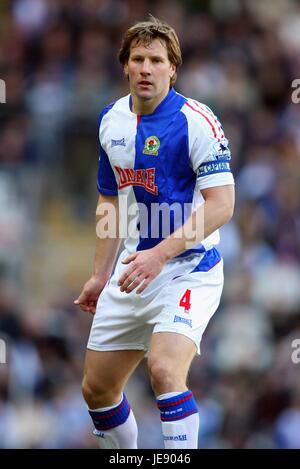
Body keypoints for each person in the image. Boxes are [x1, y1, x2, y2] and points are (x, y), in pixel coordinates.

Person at [74, 15, 235, 449]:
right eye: (139, 59)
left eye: (157, 60)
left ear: (172, 69)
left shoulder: (197, 121)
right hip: (133, 270)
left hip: (188, 267)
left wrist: (160, 254)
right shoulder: (111, 122)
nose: (147, 68)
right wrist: (99, 274)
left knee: (164, 369)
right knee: (97, 389)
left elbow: (222, 205)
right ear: (125, 66)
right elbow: (109, 201)